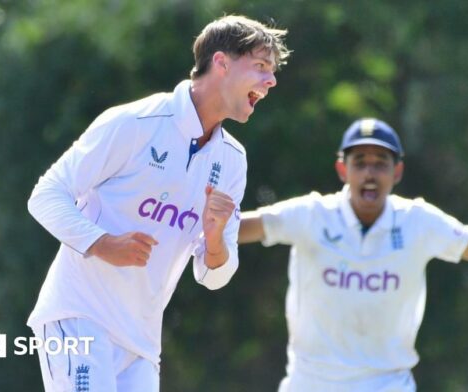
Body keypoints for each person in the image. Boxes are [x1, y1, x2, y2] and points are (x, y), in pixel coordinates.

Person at [26, 15, 290, 392]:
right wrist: (103, 244)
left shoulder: (232, 160)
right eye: (261, 67)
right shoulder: (135, 122)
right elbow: (46, 195)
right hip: (78, 317)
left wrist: (215, 240)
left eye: (272, 71)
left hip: (142, 344)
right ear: (221, 63)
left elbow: (214, 275)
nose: (272, 81)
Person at [239, 118, 468, 392]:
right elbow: (236, 229)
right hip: (309, 383)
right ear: (342, 169)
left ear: (398, 171)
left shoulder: (419, 222)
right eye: (359, 162)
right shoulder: (311, 215)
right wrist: (201, 214)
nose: (370, 173)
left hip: (386, 384)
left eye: (381, 163)